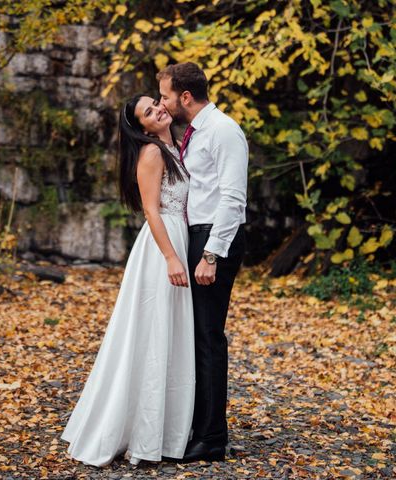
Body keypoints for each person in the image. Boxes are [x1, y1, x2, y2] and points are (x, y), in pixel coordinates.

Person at [61, 94, 195, 466]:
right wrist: (170, 257)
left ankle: (166, 430)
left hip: (178, 238)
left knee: (170, 334)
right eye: (149, 113)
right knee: (151, 333)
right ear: (143, 128)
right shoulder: (152, 153)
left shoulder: (176, 146)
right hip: (161, 246)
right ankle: (140, 433)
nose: (158, 110)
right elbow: (151, 209)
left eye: (156, 103)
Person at [157, 62, 248, 462]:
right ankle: (195, 425)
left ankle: (212, 438)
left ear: (186, 97)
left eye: (165, 96)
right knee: (194, 337)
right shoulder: (193, 134)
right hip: (196, 238)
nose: (163, 103)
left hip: (214, 240)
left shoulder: (224, 130)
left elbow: (232, 199)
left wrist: (211, 254)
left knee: (209, 337)